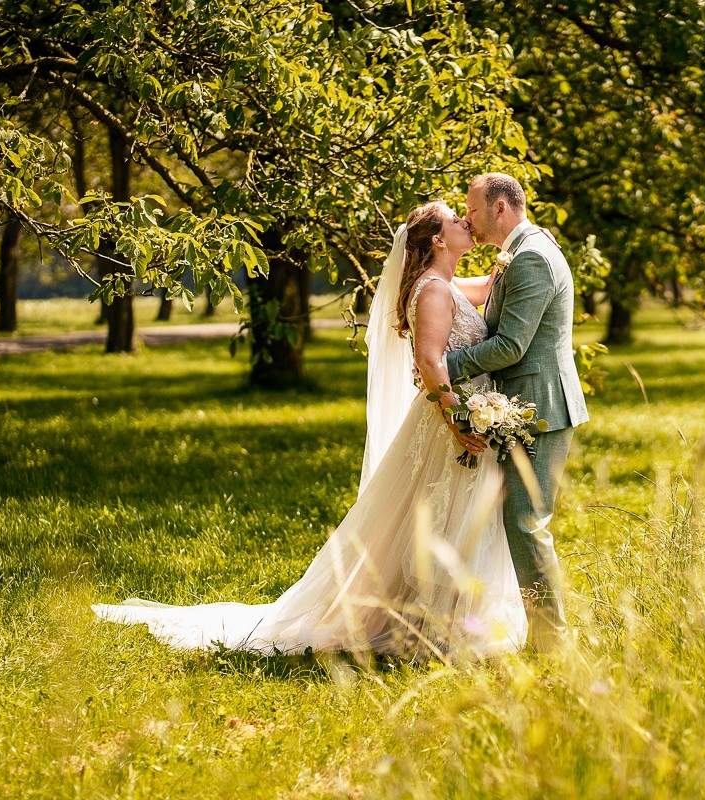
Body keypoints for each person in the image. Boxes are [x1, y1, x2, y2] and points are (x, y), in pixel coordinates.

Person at [93, 201, 527, 661]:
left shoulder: (443, 284)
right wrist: (458, 418)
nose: (467, 223)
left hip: (455, 417)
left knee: (444, 516)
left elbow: (481, 290)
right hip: (450, 421)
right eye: (456, 221)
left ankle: (443, 618)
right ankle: (432, 625)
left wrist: (515, 249)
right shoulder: (435, 291)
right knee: (440, 516)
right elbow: (429, 359)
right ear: (438, 240)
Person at [451, 173, 589, 652]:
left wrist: (445, 365)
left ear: (501, 208)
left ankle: (553, 643)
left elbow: (511, 346)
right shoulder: (523, 248)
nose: (467, 217)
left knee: (527, 522)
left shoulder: (530, 256)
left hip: (541, 406)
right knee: (521, 520)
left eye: (472, 209)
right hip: (527, 403)